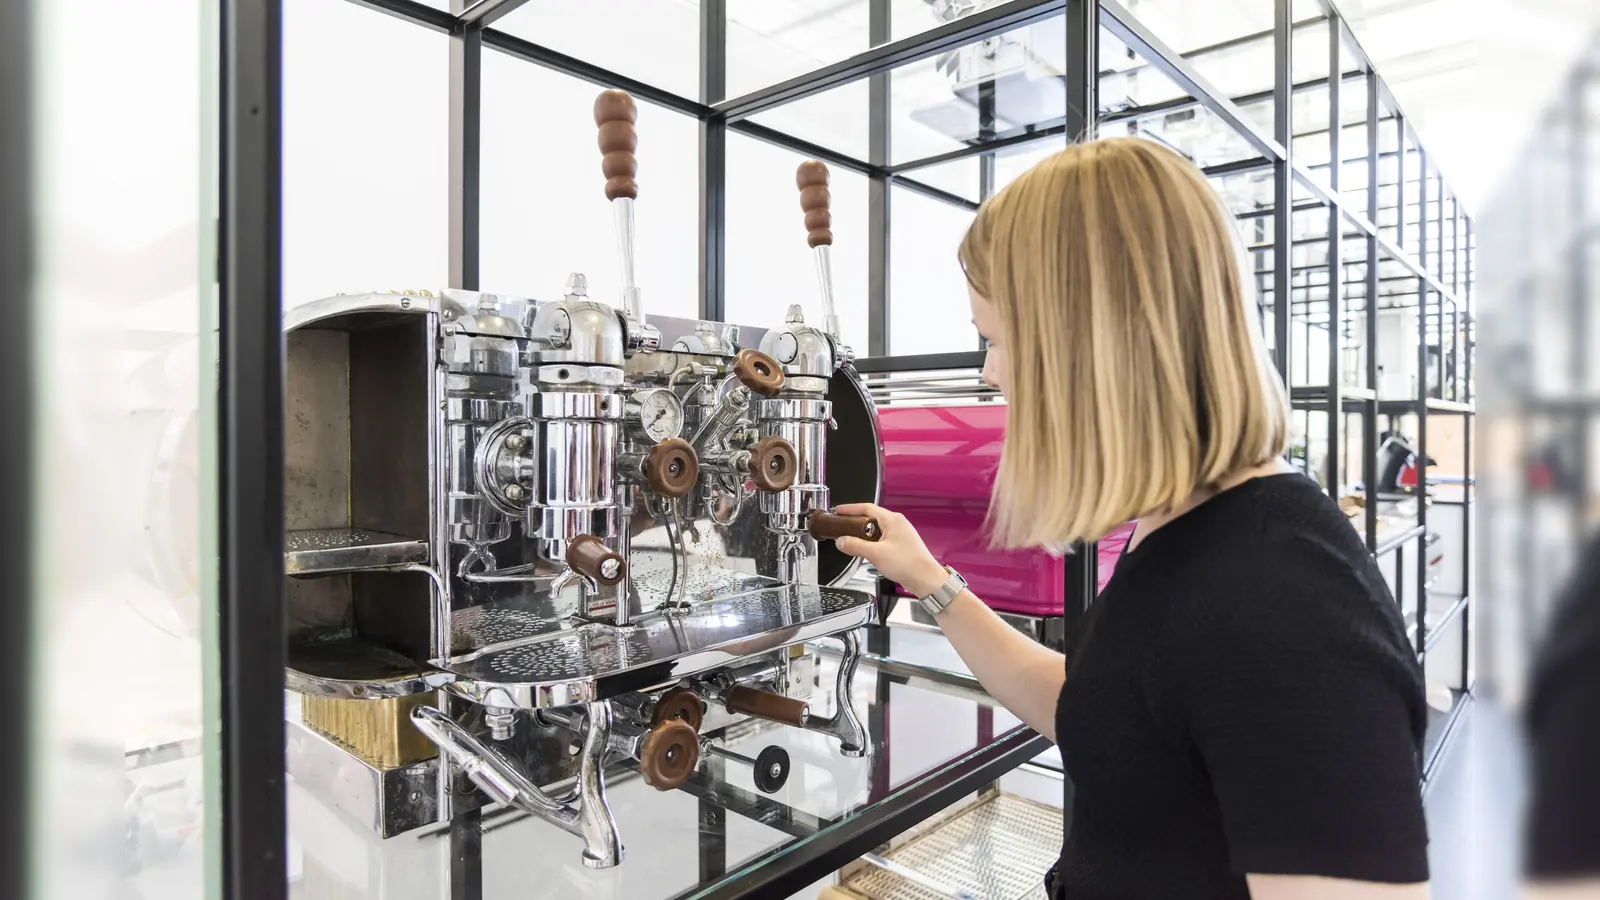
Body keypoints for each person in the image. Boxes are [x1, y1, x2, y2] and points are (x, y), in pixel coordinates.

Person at [834, 137, 1430, 899]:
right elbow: (1108, 716)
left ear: (1092, 346)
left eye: (998, 340)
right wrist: (930, 582)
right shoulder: (1190, 529)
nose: (991, 372)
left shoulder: (1286, 608)